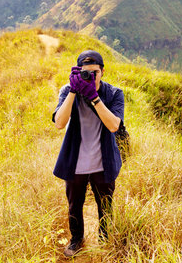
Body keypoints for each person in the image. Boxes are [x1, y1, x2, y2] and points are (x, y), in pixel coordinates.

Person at [52, 50, 124, 257]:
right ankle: (76, 240)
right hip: (76, 162)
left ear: (102, 71)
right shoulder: (67, 91)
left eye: (94, 73)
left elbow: (113, 126)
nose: (90, 77)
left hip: (104, 161)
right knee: (74, 205)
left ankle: (105, 239)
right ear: (77, 72)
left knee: (105, 205)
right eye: (85, 73)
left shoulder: (113, 94)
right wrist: (74, 91)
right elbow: (59, 123)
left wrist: (94, 97)